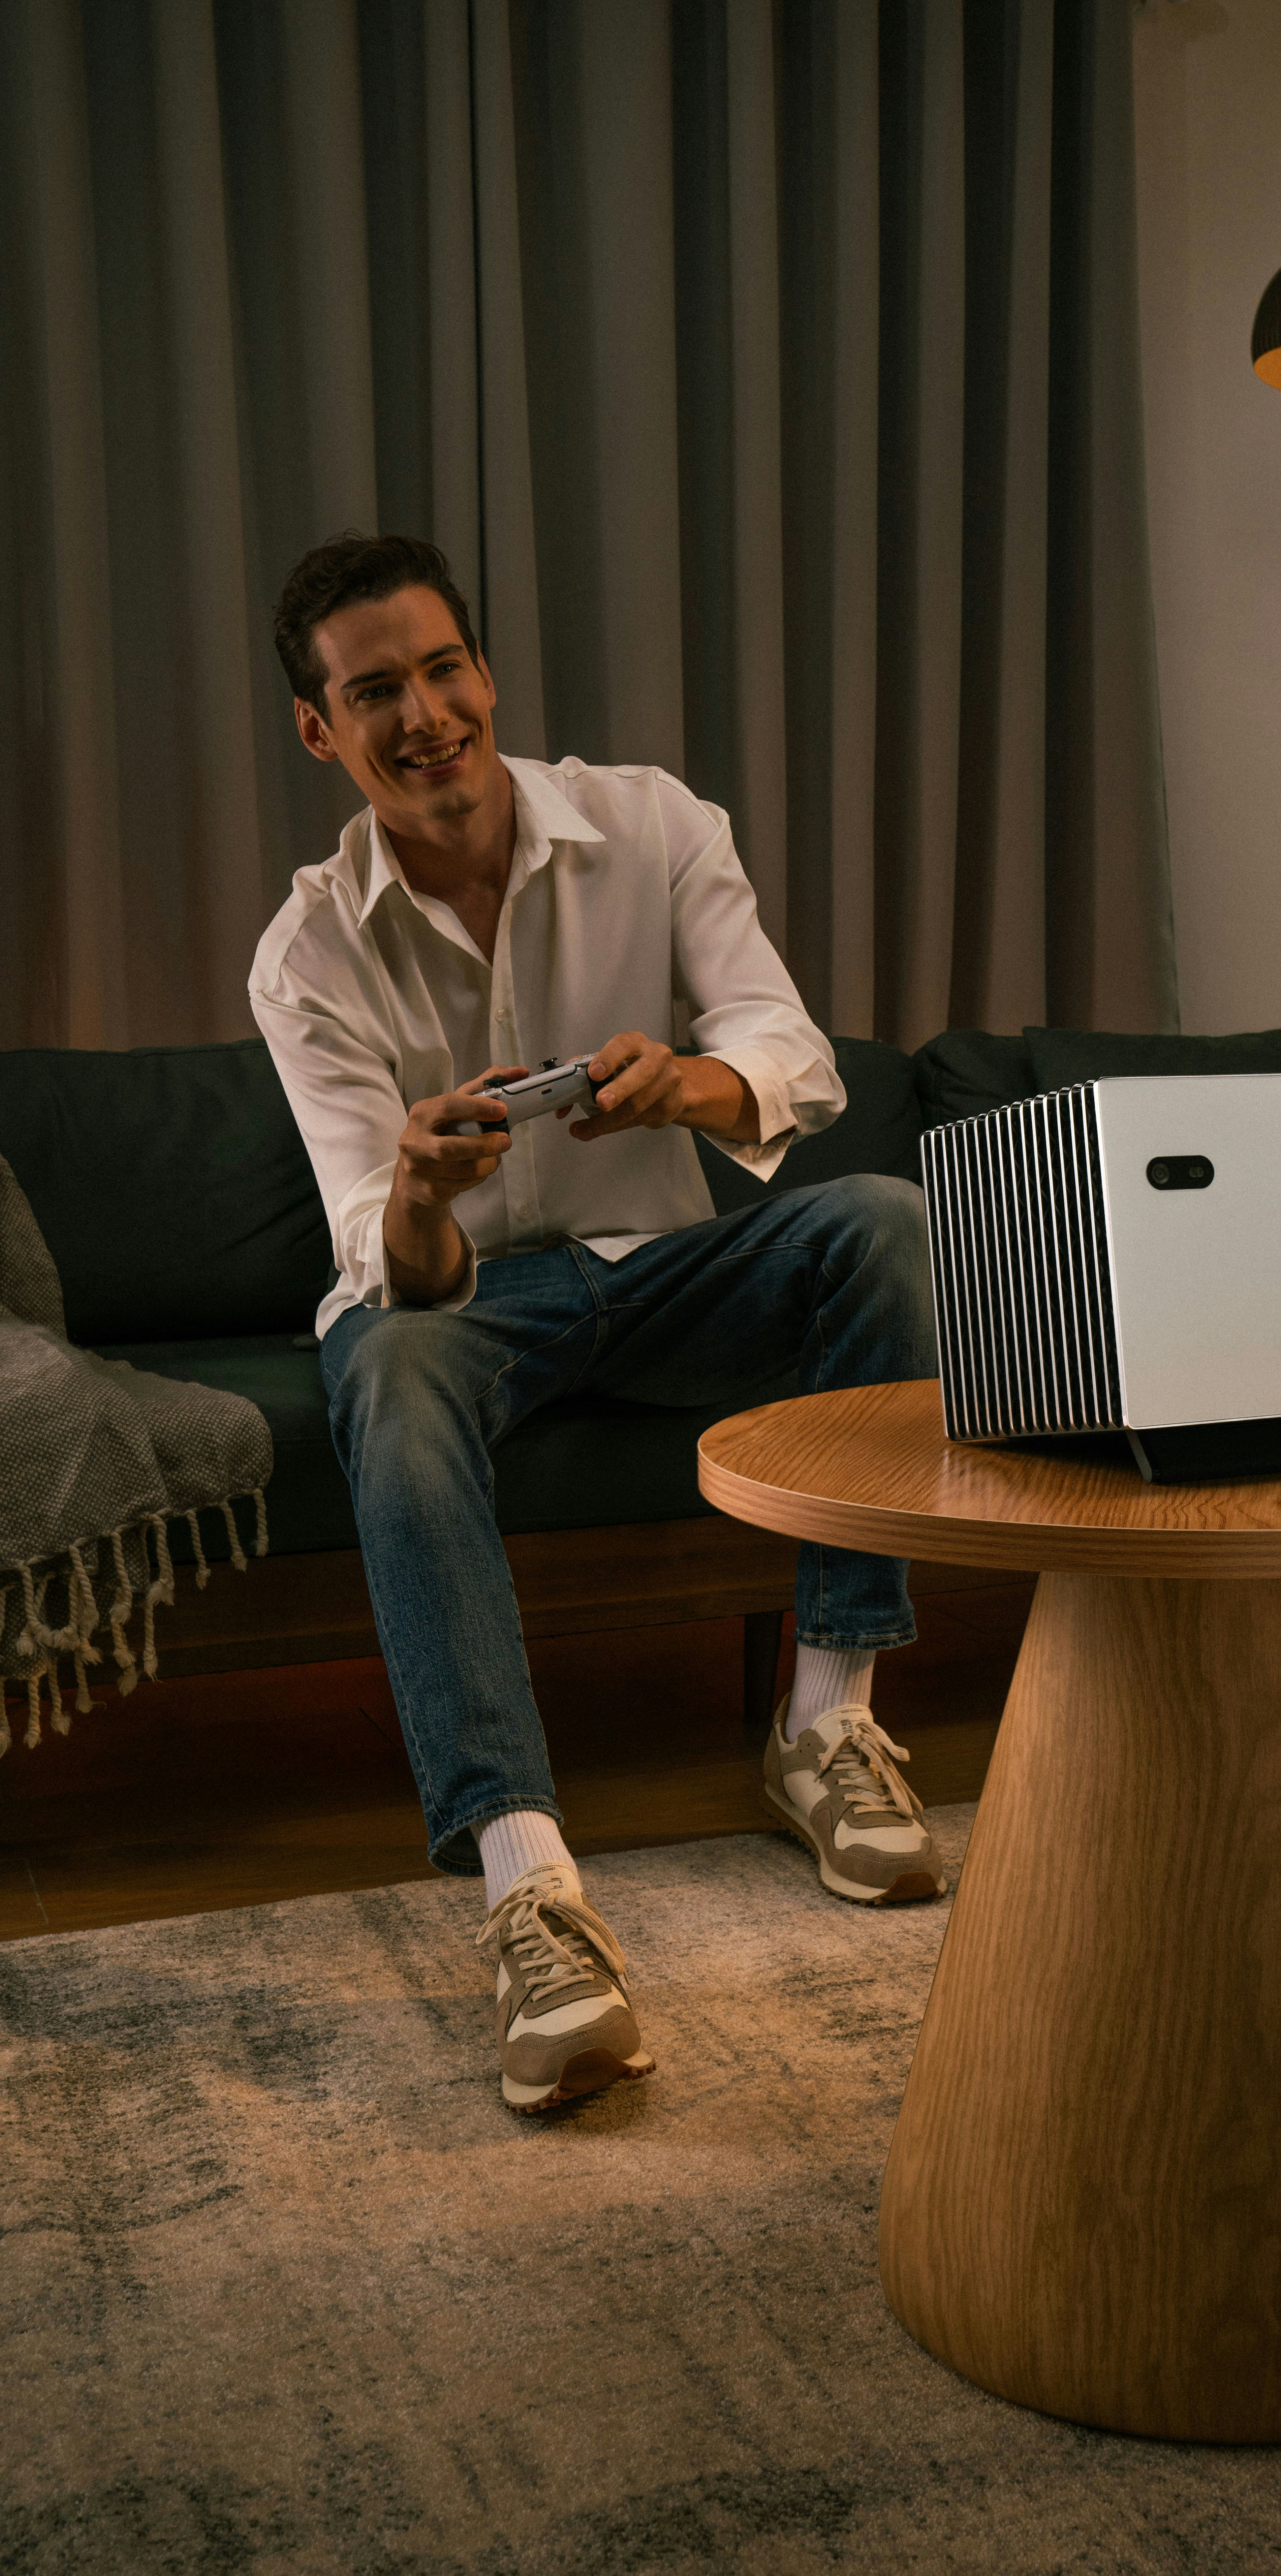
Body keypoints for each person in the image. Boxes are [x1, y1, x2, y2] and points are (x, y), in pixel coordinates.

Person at [250, 531, 944, 2117]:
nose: (423, 716)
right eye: (375, 694)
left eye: (443, 671)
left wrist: (691, 1083)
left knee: (885, 1223)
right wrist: (424, 1185)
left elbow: (786, 1043)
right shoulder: (305, 956)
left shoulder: (652, 822)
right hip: (469, 1308)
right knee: (390, 1361)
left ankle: (830, 1727)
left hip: (665, 1272)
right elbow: (381, 1248)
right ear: (320, 731)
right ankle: (530, 1887)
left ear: (484, 673)